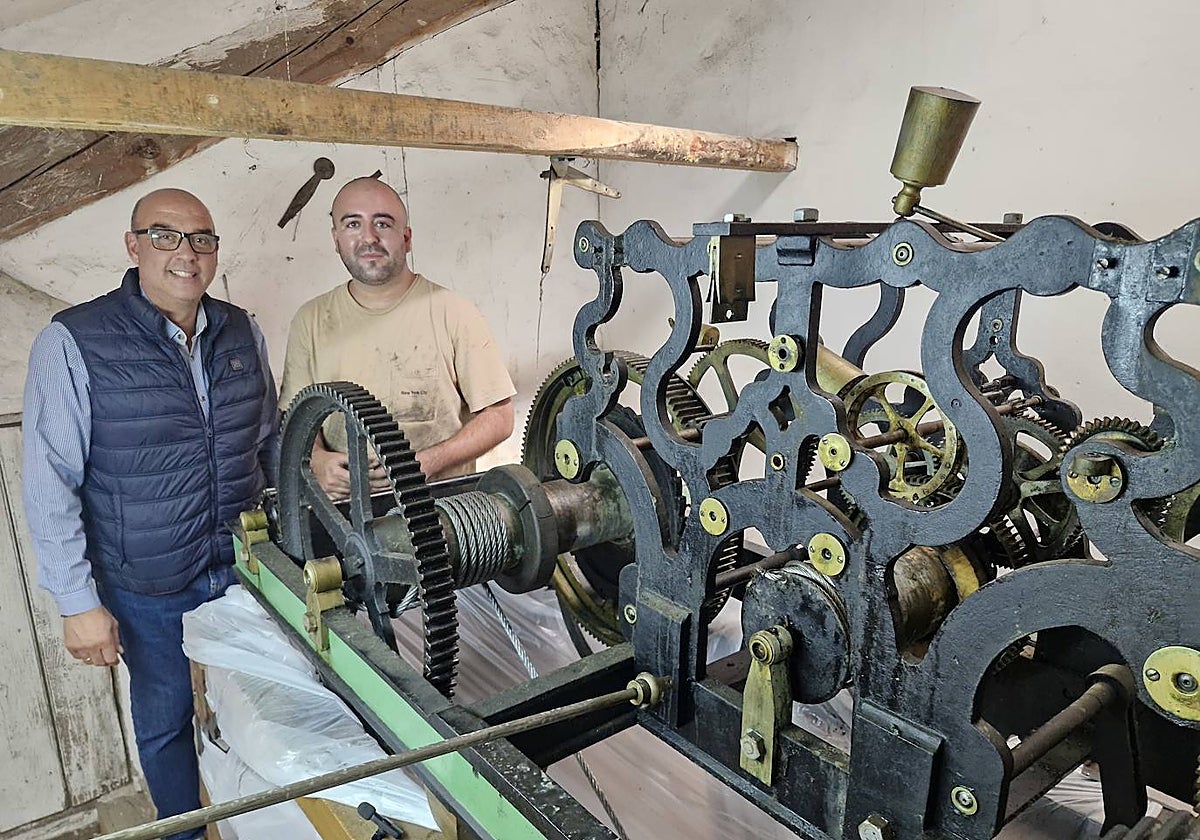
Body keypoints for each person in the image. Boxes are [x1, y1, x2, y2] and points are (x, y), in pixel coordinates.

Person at [22, 188, 278, 839]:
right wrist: (78, 603)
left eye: (202, 239)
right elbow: (49, 480)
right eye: (165, 236)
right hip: (146, 581)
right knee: (165, 720)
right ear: (133, 247)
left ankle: (266, 822)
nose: (186, 254)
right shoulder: (74, 341)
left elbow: (269, 443)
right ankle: (184, 832)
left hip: (247, 565)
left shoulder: (244, 329)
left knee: (268, 702)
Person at [280, 177, 515, 496]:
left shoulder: (453, 312)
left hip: (441, 508)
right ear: (336, 240)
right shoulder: (310, 320)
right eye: (352, 224)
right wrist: (318, 460)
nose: (369, 237)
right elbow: (296, 416)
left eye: (383, 223)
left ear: (406, 238)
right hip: (346, 515)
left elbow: (499, 417)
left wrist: (428, 463)